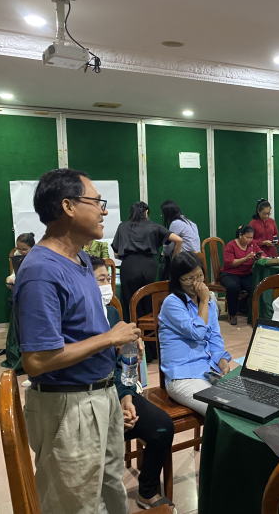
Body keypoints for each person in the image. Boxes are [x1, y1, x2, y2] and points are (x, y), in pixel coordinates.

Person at [14, 168, 142, 513]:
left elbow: (84, 331)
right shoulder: (42, 271)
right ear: (68, 206)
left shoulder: (82, 258)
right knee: (76, 505)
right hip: (68, 406)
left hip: (101, 394)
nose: (104, 211)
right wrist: (108, 338)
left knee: (110, 493)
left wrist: (116, 345)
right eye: (97, 202)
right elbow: (36, 361)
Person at [91, 256, 175, 510]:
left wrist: (126, 396)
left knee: (162, 426)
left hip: (117, 391)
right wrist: (115, 411)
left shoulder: (112, 313)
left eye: (108, 279)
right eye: (100, 280)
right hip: (93, 400)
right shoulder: (79, 321)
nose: (106, 285)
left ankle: (147, 490)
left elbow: (125, 363)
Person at [159, 252, 231, 415]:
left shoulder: (209, 304)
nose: (197, 283)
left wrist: (222, 360)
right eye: (189, 278)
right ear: (177, 279)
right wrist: (204, 300)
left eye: (200, 276)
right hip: (182, 377)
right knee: (221, 411)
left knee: (244, 402)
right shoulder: (172, 303)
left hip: (207, 371)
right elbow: (197, 333)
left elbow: (215, 338)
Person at [112, 202, 182, 326]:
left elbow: (116, 254)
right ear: (146, 212)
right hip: (149, 265)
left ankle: (134, 331)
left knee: (130, 301)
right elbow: (178, 240)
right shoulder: (153, 226)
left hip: (128, 265)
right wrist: (174, 259)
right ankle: (150, 332)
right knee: (149, 298)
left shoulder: (122, 227)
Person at [0, 232, 35, 357]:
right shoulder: (17, 256)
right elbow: (15, 273)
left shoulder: (39, 256)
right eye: (19, 249)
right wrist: (10, 279)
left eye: (24, 249)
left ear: (32, 247)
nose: (21, 252)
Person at [219, 225, 260, 325]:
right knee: (233, 287)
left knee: (257, 286)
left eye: (251, 238)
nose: (249, 240)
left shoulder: (252, 244)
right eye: (247, 237)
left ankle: (253, 313)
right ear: (240, 235)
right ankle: (232, 314)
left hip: (246, 273)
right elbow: (230, 263)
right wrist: (245, 259)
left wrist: (258, 257)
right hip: (230, 273)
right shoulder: (231, 245)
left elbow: (262, 255)